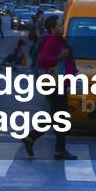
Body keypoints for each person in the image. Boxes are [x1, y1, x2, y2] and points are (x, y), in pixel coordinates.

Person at [23, 15, 77, 161]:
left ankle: (36, 140)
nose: (62, 27)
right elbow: (44, 60)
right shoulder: (52, 41)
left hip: (58, 83)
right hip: (54, 84)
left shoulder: (57, 40)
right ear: (52, 28)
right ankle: (56, 148)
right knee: (60, 117)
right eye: (60, 25)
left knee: (58, 117)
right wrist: (61, 56)